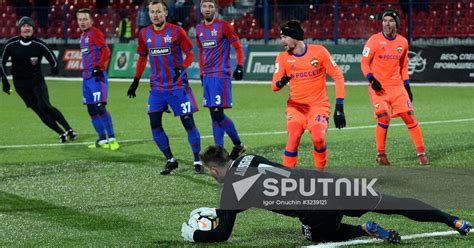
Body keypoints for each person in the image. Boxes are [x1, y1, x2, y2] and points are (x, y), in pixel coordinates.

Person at [180, 145, 472, 243]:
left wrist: (194, 234)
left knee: (314, 234)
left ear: (214, 170)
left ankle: (362, 229)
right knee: (394, 204)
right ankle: (454, 221)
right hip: (329, 184)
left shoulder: (230, 191)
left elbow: (222, 235)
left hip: (318, 208)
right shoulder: (251, 158)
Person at [127, 0, 202, 175]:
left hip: (177, 87)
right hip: (157, 89)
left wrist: (182, 67)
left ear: (166, 13)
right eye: (152, 12)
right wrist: (136, 81)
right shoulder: (144, 33)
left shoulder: (176, 31)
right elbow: (142, 58)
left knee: (188, 124)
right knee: (154, 124)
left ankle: (197, 159)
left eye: (159, 11)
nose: (155, 15)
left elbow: (190, 54)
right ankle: (170, 159)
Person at [272, 20, 346, 171]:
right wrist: (281, 82)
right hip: (296, 107)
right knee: (293, 137)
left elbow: (338, 76)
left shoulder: (319, 52)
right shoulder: (282, 58)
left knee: (318, 138)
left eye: (284, 37)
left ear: (294, 36)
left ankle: (320, 176)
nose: (282, 41)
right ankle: (286, 180)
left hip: (318, 107)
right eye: (281, 37)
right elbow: (274, 86)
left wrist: (339, 107)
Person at [360, 10, 427, 166]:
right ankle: (381, 155)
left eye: (390, 21)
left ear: (396, 23)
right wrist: (371, 79)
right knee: (384, 117)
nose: (387, 24)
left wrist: (407, 86)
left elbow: (403, 66)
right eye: (384, 21)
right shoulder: (374, 40)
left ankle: (422, 153)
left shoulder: (403, 42)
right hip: (379, 88)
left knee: (410, 117)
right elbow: (364, 63)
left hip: (397, 87)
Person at [0, 16, 77, 143]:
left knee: (45, 106)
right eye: (24, 26)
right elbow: (1, 62)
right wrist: (5, 81)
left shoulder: (39, 44)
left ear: (33, 29)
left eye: (29, 26)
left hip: (37, 81)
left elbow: (53, 59)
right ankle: (61, 133)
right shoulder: (11, 44)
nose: (26, 28)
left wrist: (55, 67)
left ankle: (69, 129)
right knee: (38, 110)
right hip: (20, 84)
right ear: (20, 29)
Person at [195, 0, 246, 160]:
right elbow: (201, 52)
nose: (207, 9)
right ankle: (221, 150)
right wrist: (202, 73)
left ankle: (237, 145)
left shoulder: (224, 26)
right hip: (208, 76)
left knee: (217, 113)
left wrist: (239, 66)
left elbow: (238, 46)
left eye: (211, 6)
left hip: (221, 75)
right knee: (214, 114)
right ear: (201, 9)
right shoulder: (199, 29)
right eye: (205, 6)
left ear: (215, 9)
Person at [76, 8, 119, 150]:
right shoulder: (82, 36)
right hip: (86, 78)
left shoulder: (95, 32)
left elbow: (106, 51)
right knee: (91, 110)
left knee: (100, 107)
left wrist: (99, 66)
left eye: (85, 19)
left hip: (96, 77)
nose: (82, 22)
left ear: (91, 21)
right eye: (80, 19)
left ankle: (112, 138)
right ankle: (102, 140)